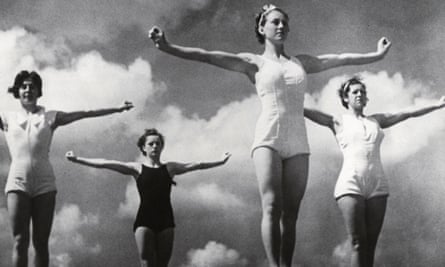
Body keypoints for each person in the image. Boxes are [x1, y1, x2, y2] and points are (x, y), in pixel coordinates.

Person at [148, 4, 391, 267]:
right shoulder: (253, 62)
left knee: (291, 214)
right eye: (275, 22)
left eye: (284, 22)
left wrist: (376, 55)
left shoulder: (302, 62)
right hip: (268, 138)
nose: (281, 26)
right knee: (272, 206)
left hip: (298, 141)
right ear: (262, 28)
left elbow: (340, 58)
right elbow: (207, 55)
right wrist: (167, 47)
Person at [304, 76, 445, 267]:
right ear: (346, 98)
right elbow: (306, 111)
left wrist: (437, 105)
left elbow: (406, 113)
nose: (360, 94)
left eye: (363, 92)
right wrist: (279, 99)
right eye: (355, 92)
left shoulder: (376, 120)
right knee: (357, 243)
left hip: (377, 183)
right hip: (350, 183)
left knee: (371, 245)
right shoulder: (337, 121)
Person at [1, 70, 134, 267]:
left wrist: (116, 109)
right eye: (24, 87)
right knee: (20, 241)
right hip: (17, 182)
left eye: (32, 87)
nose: (28, 90)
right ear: (17, 91)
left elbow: (85, 113)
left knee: (40, 242)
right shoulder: (6, 118)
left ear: (39, 92)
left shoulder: (51, 117)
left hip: (45, 184)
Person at [65, 128, 231, 267]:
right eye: (151, 144)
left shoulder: (170, 168)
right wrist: (76, 159)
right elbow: (106, 163)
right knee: (147, 264)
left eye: (158, 144)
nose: (155, 146)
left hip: (166, 220)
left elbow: (197, 165)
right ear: (144, 148)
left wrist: (221, 162)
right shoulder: (136, 168)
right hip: (145, 220)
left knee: (162, 265)